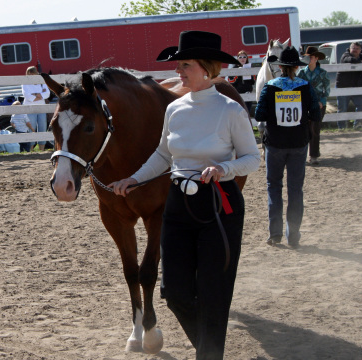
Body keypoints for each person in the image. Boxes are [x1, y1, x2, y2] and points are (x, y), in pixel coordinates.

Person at [109, 31, 261, 360]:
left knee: (213, 292)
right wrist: (134, 179)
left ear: (207, 69)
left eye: (185, 65)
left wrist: (224, 169)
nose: (178, 71)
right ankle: (209, 350)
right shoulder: (174, 109)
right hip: (179, 202)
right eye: (178, 64)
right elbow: (163, 156)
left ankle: (209, 355)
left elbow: (253, 158)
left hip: (219, 202)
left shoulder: (230, 110)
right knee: (175, 292)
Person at [255, 46, 321, 249]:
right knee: (295, 190)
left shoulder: (270, 86)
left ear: (281, 66)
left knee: (274, 187)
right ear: (295, 67)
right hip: (299, 144)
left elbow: (259, 115)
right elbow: (316, 114)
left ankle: (275, 234)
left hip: (275, 144)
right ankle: (293, 236)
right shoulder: (305, 85)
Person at [297, 46, 330, 165]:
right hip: (305, 105)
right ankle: (303, 154)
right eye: (308, 57)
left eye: (311, 57)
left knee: (315, 129)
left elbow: (327, 90)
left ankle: (314, 155)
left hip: (318, 105)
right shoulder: (301, 73)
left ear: (316, 58)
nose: (309, 59)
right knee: (304, 130)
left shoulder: (323, 73)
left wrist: (321, 100)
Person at [336, 42, 362, 130]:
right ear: (350, 49)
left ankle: (357, 124)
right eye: (353, 48)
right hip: (343, 88)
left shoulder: (361, 56)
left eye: (357, 49)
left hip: (355, 88)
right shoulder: (345, 55)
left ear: (360, 50)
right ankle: (341, 128)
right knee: (342, 108)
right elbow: (350, 60)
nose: (354, 50)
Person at [22, 66, 50, 150]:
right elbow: (27, 95)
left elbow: (47, 93)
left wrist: (35, 94)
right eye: (29, 74)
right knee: (32, 127)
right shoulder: (25, 82)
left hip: (41, 108)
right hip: (30, 108)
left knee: (42, 126)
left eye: (32, 74)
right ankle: (31, 148)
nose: (31, 76)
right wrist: (40, 94)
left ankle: (42, 149)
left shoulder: (42, 82)